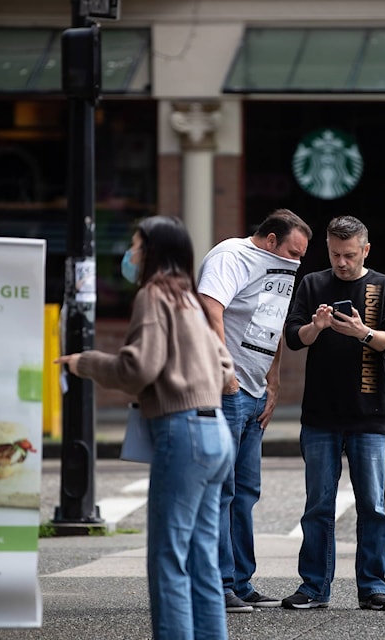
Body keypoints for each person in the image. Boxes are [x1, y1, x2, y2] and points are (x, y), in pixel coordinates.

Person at [55, 215, 235, 639]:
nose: (130, 254)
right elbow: (226, 365)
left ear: (153, 252)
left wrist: (86, 362)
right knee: (201, 556)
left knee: (168, 558)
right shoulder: (188, 298)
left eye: (136, 246)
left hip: (183, 432)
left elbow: (139, 368)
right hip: (216, 432)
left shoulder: (153, 296)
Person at [281, 215, 385, 612]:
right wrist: (316, 328)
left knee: (372, 504)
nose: (341, 263)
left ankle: (373, 585)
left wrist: (362, 333)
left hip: (369, 412)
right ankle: (314, 586)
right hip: (320, 413)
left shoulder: (383, 287)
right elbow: (292, 336)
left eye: (350, 255)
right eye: (335, 254)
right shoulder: (313, 283)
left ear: (365, 250)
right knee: (318, 504)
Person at [197, 208, 313, 612]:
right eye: (293, 252)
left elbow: (274, 321)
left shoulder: (283, 267)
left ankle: (241, 582)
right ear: (269, 240)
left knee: (245, 492)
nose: (297, 261)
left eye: (301, 255)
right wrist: (224, 370)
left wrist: (274, 380)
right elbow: (211, 308)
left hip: (256, 391)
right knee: (222, 490)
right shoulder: (232, 256)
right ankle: (219, 584)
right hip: (229, 390)